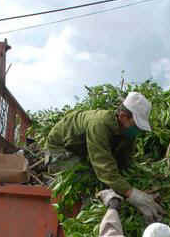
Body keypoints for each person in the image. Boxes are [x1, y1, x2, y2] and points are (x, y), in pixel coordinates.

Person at [45, 91, 163, 222]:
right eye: (136, 125)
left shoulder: (127, 133)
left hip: (82, 150)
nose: (138, 131)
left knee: (108, 178)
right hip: (60, 149)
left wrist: (137, 186)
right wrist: (132, 194)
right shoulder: (99, 124)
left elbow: (125, 162)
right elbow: (105, 168)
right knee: (87, 179)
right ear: (123, 116)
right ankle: (85, 217)